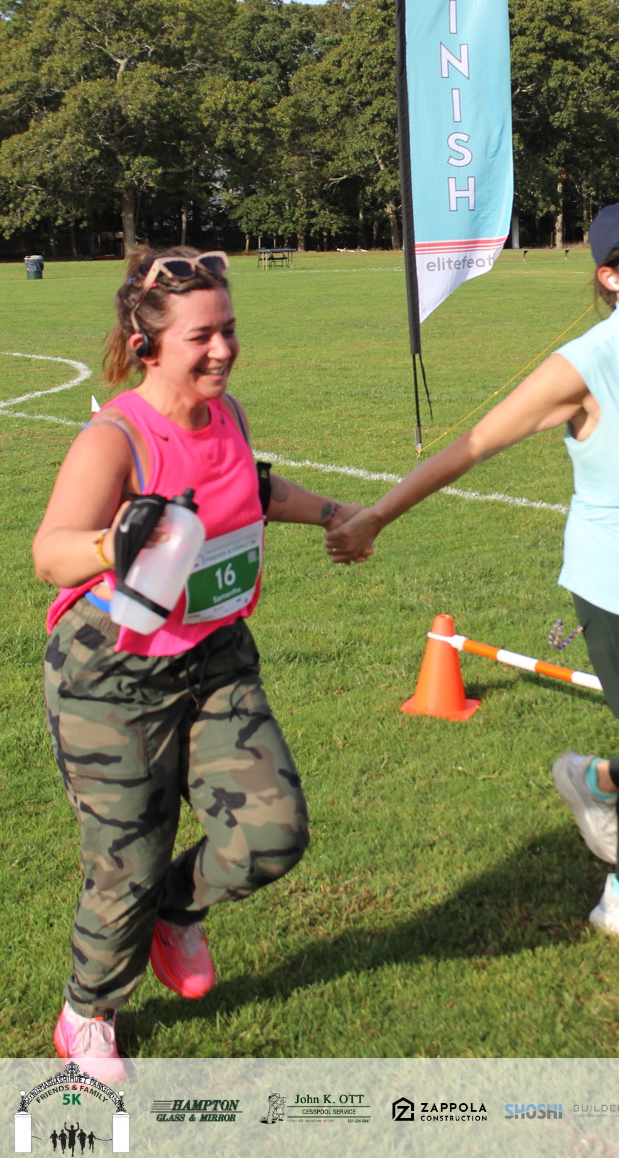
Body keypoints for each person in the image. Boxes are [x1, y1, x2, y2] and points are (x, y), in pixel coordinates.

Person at [326, 197, 619, 957]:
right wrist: (376, 516)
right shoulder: (584, 366)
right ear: (611, 276)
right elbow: (471, 446)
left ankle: (596, 780)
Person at [34, 247, 362, 1079]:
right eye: (201, 337)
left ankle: (176, 913)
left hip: (215, 656)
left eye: (229, 330)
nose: (222, 350)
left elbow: (255, 488)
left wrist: (335, 513)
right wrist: (117, 540)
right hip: (113, 676)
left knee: (270, 836)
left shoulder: (229, 416)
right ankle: (88, 1012)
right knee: (127, 865)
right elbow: (50, 553)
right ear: (146, 346)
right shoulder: (115, 437)